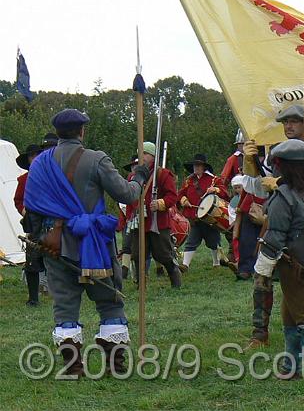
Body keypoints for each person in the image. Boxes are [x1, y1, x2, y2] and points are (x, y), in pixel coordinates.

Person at [23, 109, 149, 376]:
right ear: (82, 131)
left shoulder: (40, 164)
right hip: (95, 244)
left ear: (58, 133)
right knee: (109, 301)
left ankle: (73, 368)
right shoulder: (95, 159)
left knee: (65, 304)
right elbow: (127, 194)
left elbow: (30, 206)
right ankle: (115, 367)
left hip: (55, 244)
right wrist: (140, 176)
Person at [241, 105, 304, 351]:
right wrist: (250, 164)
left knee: (301, 300)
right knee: (277, 293)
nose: (289, 126)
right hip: (282, 227)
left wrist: (280, 184)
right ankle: (263, 335)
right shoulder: (280, 154)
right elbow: (257, 188)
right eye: (286, 122)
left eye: (295, 121)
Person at [253, 139, 304, 378]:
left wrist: (263, 269)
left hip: (297, 259)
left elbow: (275, 236)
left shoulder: (284, 195)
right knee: (290, 311)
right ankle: (292, 367)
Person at [126, 142, 181, 288]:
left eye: (145, 153)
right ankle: (140, 283)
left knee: (162, 254)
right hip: (139, 220)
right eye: (140, 153)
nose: (141, 156)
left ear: (152, 156)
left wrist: (161, 203)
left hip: (158, 221)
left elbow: (172, 196)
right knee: (138, 254)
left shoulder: (162, 174)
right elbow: (129, 196)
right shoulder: (133, 176)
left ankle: (175, 276)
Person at [178, 154, 229, 269]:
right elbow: (180, 194)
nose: (196, 167)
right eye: (195, 165)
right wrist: (183, 199)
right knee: (191, 241)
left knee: (214, 241)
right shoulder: (189, 180)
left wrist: (215, 189)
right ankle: (185, 265)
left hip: (210, 216)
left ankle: (216, 263)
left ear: (204, 167)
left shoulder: (214, 179)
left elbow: (225, 193)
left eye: (198, 165)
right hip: (194, 216)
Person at [15, 144, 45, 306]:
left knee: (56, 258)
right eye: (32, 156)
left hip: (51, 221)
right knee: (32, 261)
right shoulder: (23, 180)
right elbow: (18, 200)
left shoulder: (51, 177)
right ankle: (33, 298)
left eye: (37, 155)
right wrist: (24, 212)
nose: (34, 158)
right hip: (33, 224)